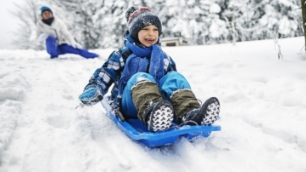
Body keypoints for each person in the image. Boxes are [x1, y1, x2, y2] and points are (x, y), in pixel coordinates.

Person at [78, 7, 220, 132]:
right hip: (129, 104)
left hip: (162, 106)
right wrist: (94, 88)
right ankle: (152, 114)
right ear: (134, 33)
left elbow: (170, 84)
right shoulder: (122, 55)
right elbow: (105, 73)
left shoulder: (163, 58)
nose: (151, 34)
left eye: (155, 30)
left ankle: (190, 113)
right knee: (140, 77)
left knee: (174, 77)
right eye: (145, 29)